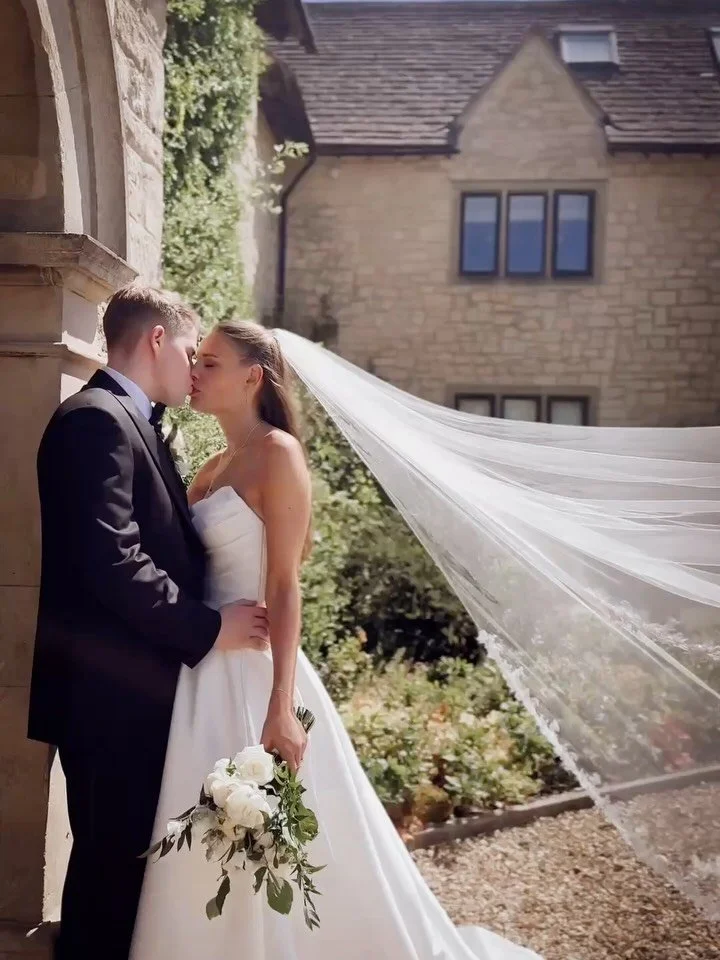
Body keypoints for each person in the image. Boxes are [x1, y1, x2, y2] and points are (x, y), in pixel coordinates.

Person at [131, 319, 543, 960]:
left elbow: (286, 585)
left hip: (257, 673)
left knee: (269, 842)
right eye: (197, 360)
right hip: (203, 669)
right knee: (203, 839)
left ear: (252, 378)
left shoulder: (279, 454)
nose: (195, 371)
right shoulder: (211, 464)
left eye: (210, 363)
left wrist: (280, 707)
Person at [28, 286, 270, 960]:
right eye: (191, 351)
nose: (193, 369)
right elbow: (114, 562)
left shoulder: (132, 420)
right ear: (158, 339)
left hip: (135, 694)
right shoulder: (96, 420)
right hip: (107, 698)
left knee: (123, 868)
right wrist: (208, 628)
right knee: (109, 872)